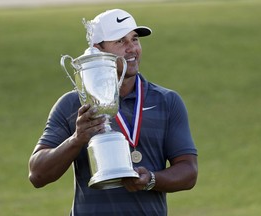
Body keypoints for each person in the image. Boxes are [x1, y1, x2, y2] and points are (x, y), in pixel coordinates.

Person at [28, 8, 198, 216]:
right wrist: (77, 139)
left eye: (134, 40)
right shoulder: (73, 105)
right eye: (120, 41)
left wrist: (151, 179)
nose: (132, 49)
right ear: (98, 49)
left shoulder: (166, 101)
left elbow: (189, 172)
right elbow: (37, 175)